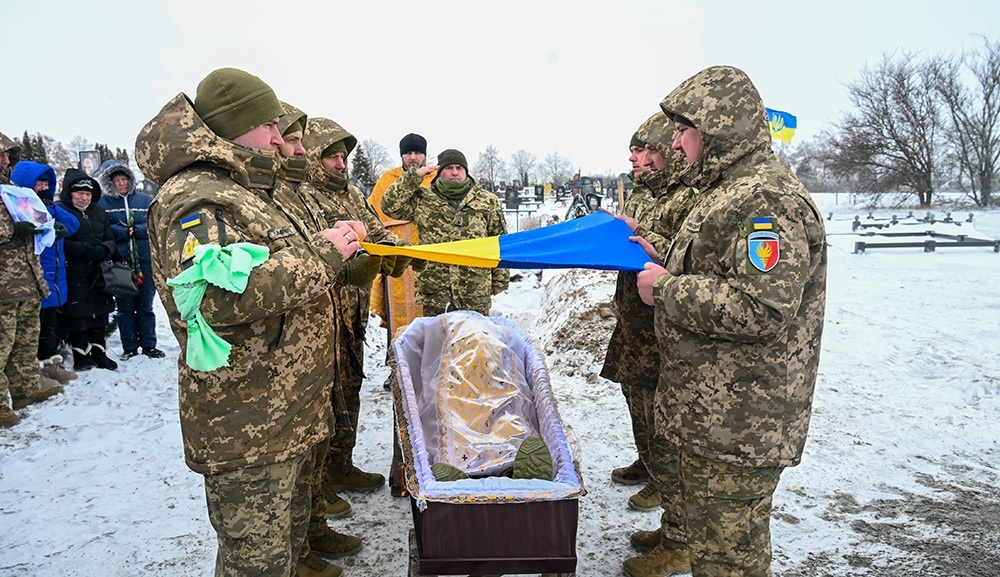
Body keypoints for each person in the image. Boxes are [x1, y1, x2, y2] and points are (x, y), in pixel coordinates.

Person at [136, 67, 365, 577]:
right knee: (256, 563)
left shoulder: (245, 189)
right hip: (246, 421)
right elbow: (215, 296)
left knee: (283, 550)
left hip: (286, 409)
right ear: (232, 126)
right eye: (270, 127)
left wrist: (347, 257)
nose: (282, 142)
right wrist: (325, 254)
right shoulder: (199, 197)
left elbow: (283, 267)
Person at [636, 65, 827, 577]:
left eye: (683, 130)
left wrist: (667, 289)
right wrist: (665, 257)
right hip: (715, 416)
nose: (675, 144)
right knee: (715, 553)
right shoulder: (730, 190)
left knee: (729, 562)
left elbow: (762, 307)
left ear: (716, 127)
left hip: (740, 423)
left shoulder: (764, 199)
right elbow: (723, 270)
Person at [605, 114, 700, 575]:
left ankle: (680, 537)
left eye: (645, 150)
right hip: (638, 326)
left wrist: (638, 237)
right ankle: (672, 525)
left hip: (666, 331)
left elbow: (686, 256)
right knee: (644, 412)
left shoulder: (689, 198)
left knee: (669, 435)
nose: (634, 159)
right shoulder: (650, 194)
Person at [275, 103, 361, 577]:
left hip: (335, 321)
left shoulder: (301, 195)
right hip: (289, 347)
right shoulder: (281, 195)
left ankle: (313, 526)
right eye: (295, 140)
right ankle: (303, 538)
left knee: (340, 404)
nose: (335, 161)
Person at [381, 148, 509, 317]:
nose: (454, 172)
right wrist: (414, 176)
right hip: (436, 292)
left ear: (466, 171)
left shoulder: (487, 200)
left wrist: (500, 278)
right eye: (449, 168)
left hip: (475, 289)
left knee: (475, 341)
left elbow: (500, 239)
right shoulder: (424, 199)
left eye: (459, 168)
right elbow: (389, 206)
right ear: (439, 172)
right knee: (438, 342)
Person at [1, 154, 64, 427]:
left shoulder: (14, 191)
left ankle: (26, 389)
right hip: (3, 284)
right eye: (1, 154)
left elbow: (34, 222)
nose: (5, 160)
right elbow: (11, 230)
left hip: (26, 280)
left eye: (6, 155)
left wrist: (48, 228)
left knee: (25, 342)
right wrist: (10, 229)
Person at [9, 161, 79, 385]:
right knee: (33, 331)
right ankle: (38, 370)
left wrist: (51, 208)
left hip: (54, 278)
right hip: (33, 278)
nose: (44, 187)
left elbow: (73, 225)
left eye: (47, 183)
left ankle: (50, 365)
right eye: (39, 183)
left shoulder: (47, 208)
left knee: (47, 326)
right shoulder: (19, 207)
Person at [96, 159, 164, 360]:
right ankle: (130, 347)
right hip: (119, 263)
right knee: (125, 307)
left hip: (144, 262)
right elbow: (102, 228)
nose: (121, 184)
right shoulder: (103, 203)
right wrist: (121, 231)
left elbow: (156, 225)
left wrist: (139, 230)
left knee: (145, 306)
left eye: (124, 179)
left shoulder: (144, 200)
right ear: (110, 182)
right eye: (116, 180)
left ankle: (149, 345)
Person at [57, 169, 119, 371]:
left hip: (99, 270)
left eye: (88, 194)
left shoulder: (98, 211)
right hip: (74, 271)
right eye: (79, 193)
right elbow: (60, 241)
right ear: (70, 193)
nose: (84, 198)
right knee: (78, 314)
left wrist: (104, 249)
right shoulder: (61, 211)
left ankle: (99, 354)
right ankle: (81, 356)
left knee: (100, 313)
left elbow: (110, 237)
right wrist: (83, 249)